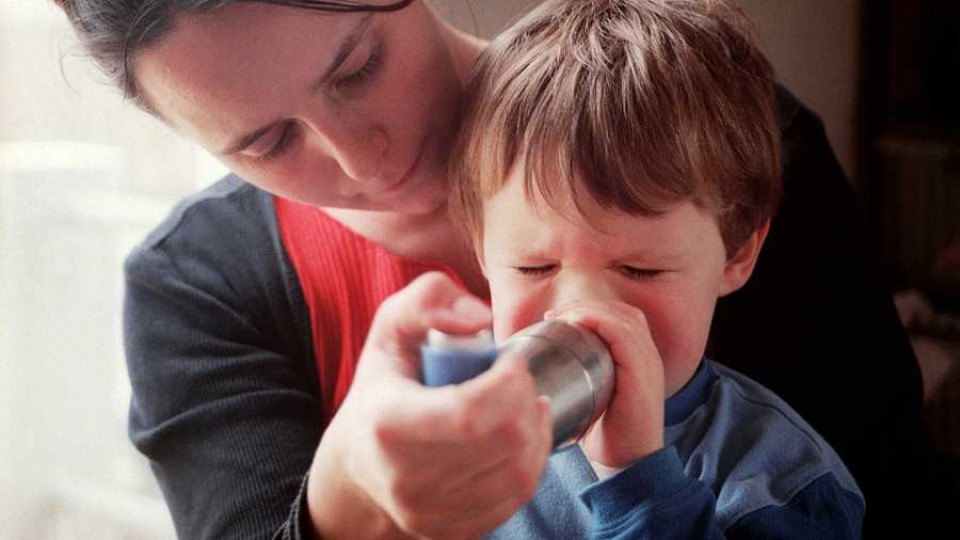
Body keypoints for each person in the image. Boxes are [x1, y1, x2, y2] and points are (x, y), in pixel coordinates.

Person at [50, 0, 957, 537]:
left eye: (358, 66)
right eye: (266, 141)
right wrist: (347, 502)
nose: (364, 164)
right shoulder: (200, 287)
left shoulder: (708, 140)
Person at [443, 1, 863, 536]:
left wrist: (636, 476)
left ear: (737, 253)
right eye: (535, 266)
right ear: (480, 250)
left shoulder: (782, 483)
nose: (580, 312)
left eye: (640, 270)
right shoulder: (454, 423)